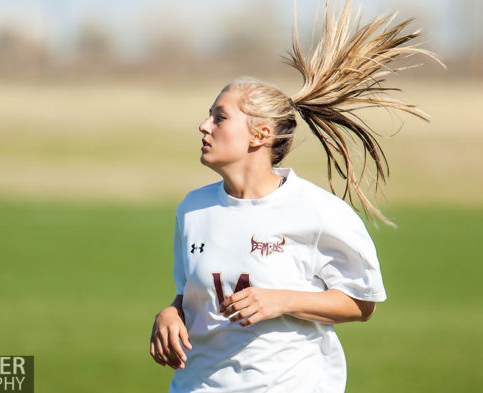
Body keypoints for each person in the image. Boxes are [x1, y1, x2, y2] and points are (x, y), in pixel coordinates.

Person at [150, 1, 443, 392]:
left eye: (220, 117)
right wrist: (170, 313)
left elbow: (363, 303)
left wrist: (281, 301)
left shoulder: (318, 212)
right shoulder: (193, 208)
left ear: (260, 135)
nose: (204, 126)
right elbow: (192, 293)